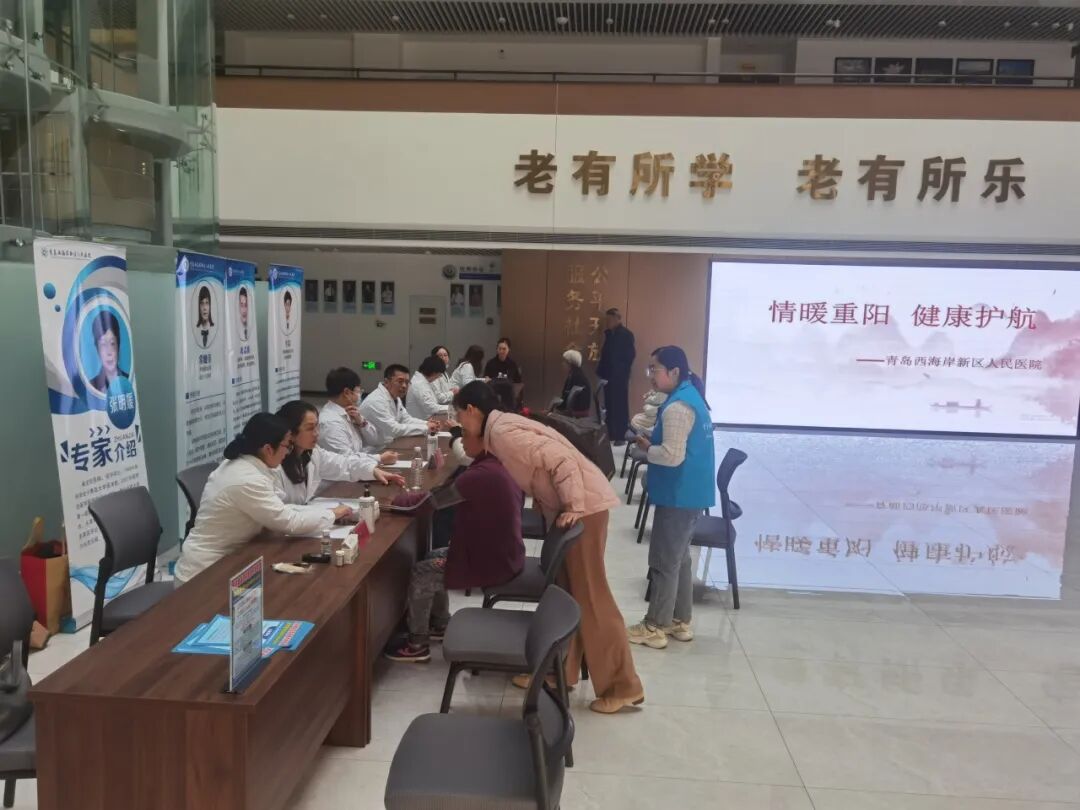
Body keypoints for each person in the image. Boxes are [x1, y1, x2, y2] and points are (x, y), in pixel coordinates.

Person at [453, 381, 644, 714]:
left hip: (584, 509)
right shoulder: (500, 427)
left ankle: (623, 685)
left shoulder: (503, 433)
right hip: (575, 507)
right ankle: (560, 670)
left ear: (471, 410)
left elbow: (560, 460)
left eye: (459, 416)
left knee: (591, 597)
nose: (459, 424)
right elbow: (540, 467)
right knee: (568, 595)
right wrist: (546, 499)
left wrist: (573, 504)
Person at [385, 430, 526, 663]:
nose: (461, 442)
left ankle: (416, 643)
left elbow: (430, 502)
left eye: (466, 437)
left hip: (493, 561)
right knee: (432, 555)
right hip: (503, 552)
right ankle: (440, 623)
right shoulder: (498, 465)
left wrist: (395, 502)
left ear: (483, 442)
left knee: (422, 572)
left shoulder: (480, 475)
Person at [174, 413, 352, 584]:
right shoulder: (247, 479)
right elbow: (288, 521)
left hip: (233, 559)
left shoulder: (251, 465)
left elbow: (281, 508)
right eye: (287, 446)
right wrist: (332, 514)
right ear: (268, 448)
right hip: (204, 573)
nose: (288, 452)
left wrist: (328, 512)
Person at [626, 347, 715, 650]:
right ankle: (680, 620)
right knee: (680, 558)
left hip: (679, 494)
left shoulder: (678, 406)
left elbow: (671, 456)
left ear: (674, 372)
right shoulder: (690, 397)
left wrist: (647, 450)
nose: (651, 375)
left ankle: (655, 626)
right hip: (690, 494)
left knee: (664, 561)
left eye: (655, 369)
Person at [273, 400, 404, 504]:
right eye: (310, 428)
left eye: (316, 427)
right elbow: (281, 512)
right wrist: (331, 515)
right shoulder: (274, 465)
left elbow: (342, 463)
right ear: (291, 433)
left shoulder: (312, 453)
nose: (316, 433)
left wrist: (372, 471)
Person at [318, 367, 397, 466]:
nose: (360, 394)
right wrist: (379, 458)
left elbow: (373, 440)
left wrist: (362, 423)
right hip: (340, 474)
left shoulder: (349, 412)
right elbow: (345, 459)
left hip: (356, 469)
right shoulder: (331, 422)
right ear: (347, 392)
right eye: (358, 391)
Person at [359, 364, 437, 449]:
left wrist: (427, 423)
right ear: (386, 382)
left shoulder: (395, 397)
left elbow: (405, 419)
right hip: (374, 450)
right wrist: (426, 428)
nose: (404, 386)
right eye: (400, 381)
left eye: (407, 382)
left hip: (390, 444)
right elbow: (394, 429)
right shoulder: (376, 401)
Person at [596, 307, 635, 444]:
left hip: (619, 377)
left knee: (620, 406)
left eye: (610, 319)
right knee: (609, 405)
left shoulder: (626, 335)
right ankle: (611, 433)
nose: (608, 322)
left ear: (618, 319)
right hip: (608, 376)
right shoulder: (609, 335)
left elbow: (630, 356)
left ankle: (621, 436)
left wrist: (619, 371)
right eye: (607, 320)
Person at [88, 311, 128, 392]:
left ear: (118, 345)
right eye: (103, 344)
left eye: (112, 343)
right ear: (97, 349)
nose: (109, 352)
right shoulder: (91, 387)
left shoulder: (129, 381)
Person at [406, 356, 447, 421]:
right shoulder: (419, 384)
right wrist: (452, 408)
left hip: (426, 418)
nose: (439, 377)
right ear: (434, 372)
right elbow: (431, 407)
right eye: (439, 374)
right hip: (419, 422)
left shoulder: (424, 381)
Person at [553, 349, 592, 415]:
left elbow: (566, 400)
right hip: (574, 410)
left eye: (564, 361)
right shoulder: (575, 375)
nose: (562, 364)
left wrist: (555, 409)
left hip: (576, 412)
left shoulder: (576, 377)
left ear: (570, 363)